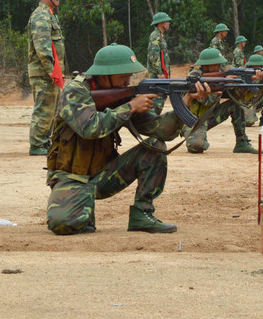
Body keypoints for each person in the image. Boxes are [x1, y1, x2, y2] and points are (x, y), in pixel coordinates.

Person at [45, 44, 210, 235]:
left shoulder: (122, 97)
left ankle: (142, 213)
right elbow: (90, 128)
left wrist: (187, 100)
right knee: (63, 224)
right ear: (105, 74)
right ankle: (80, 205)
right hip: (70, 177)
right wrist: (130, 107)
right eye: (123, 76)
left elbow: (161, 131)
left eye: (129, 76)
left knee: (155, 146)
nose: (127, 81)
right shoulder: (75, 92)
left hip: (104, 175)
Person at [185, 48, 263, 154]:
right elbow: (205, 101)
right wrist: (222, 84)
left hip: (208, 118)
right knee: (196, 147)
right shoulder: (194, 76)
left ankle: (241, 142)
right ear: (206, 65)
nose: (220, 67)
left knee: (234, 105)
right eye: (217, 64)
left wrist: (249, 81)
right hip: (191, 121)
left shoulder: (219, 77)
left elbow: (236, 97)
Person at [26, 0, 66, 156]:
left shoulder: (49, 14)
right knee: (44, 108)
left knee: (52, 108)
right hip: (44, 72)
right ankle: (37, 145)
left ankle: (45, 141)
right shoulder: (41, 16)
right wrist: (50, 70)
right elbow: (42, 46)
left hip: (51, 71)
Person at [146, 12, 172, 79]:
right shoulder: (155, 36)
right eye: (167, 21)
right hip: (157, 76)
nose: (169, 23)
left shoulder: (160, 36)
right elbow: (154, 55)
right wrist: (159, 73)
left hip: (163, 74)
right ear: (161, 23)